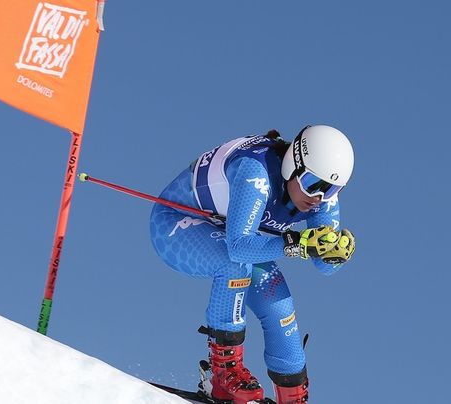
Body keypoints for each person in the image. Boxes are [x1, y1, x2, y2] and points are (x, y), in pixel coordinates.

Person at [149, 125, 357, 404]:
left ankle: (293, 396)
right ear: (292, 166)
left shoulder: (322, 199)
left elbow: (325, 267)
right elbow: (237, 248)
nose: (318, 196)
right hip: (176, 225)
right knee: (235, 266)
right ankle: (222, 377)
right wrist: (295, 244)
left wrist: (335, 253)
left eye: (332, 189)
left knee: (279, 304)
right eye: (312, 184)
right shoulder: (254, 171)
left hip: (233, 236)